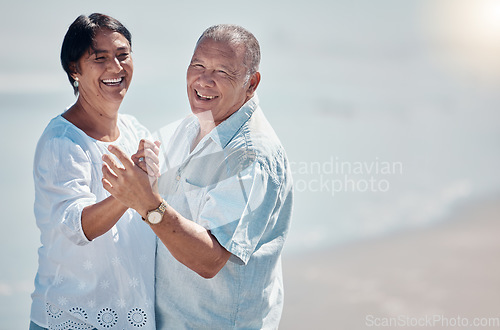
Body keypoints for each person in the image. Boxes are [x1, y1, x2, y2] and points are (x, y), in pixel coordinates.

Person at [102, 24, 293, 329]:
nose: (204, 80)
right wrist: (147, 172)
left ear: (251, 83)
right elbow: (161, 196)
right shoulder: (191, 126)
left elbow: (209, 261)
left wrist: (148, 204)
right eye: (198, 66)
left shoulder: (251, 155)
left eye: (222, 72)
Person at [30, 13, 159, 330]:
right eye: (100, 59)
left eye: (122, 55)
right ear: (75, 69)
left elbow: (153, 209)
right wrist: (131, 193)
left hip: (133, 318)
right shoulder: (62, 141)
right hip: (71, 319)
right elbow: (76, 227)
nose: (116, 68)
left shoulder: (136, 130)